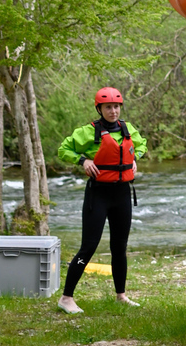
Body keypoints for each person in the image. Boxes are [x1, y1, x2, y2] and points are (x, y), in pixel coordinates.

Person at [56, 87, 147, 314]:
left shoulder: (128, 129)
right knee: (88, 247)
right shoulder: (88, 132)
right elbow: (63, 149)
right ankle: (66, 298)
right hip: (98, 194)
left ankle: (121, 295)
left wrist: (135, 157)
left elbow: (141, 145)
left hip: (122, 194)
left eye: (116, 106)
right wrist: (82, 160)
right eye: (108, 107)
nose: (113, 111)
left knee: (119, 247)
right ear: (99, 109)